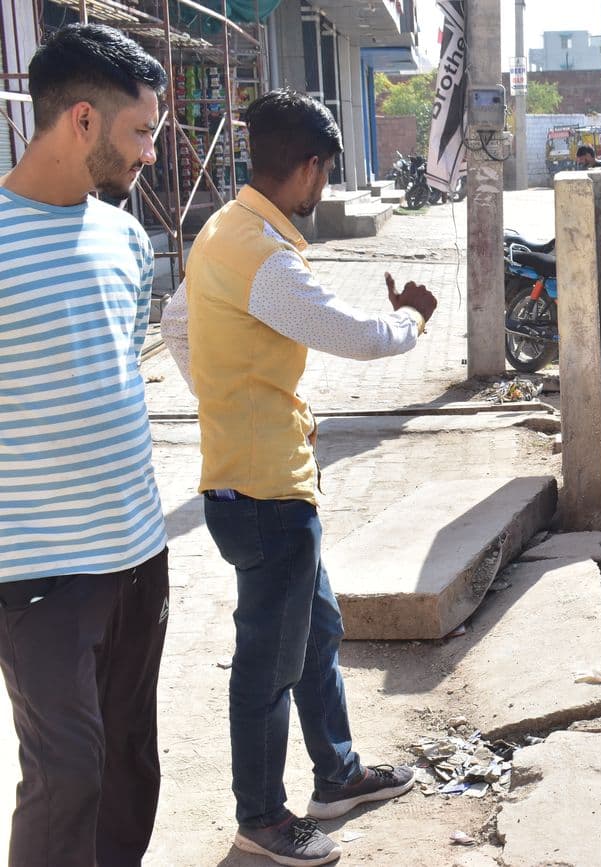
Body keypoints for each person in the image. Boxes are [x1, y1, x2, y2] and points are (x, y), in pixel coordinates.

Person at [161, 89, 437, 867]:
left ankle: (338, 774)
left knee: (317, 635)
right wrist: (413, 320)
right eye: (324, 175)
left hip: (257, 483)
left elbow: (176, 324)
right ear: (310, 167)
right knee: (268, 663)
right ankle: (263, 817)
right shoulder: (265, 257)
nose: (323, 191)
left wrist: (224, 394)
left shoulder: (223, 229)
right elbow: (349, 333)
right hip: (266, 497)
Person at [0, 23, 169, 867]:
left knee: (130, 762)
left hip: (138, 554)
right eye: (140, 132)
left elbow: (123, 372)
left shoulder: (127, 239)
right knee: (66, 775)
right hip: (38, 572)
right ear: (80, 121)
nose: (149, 153)